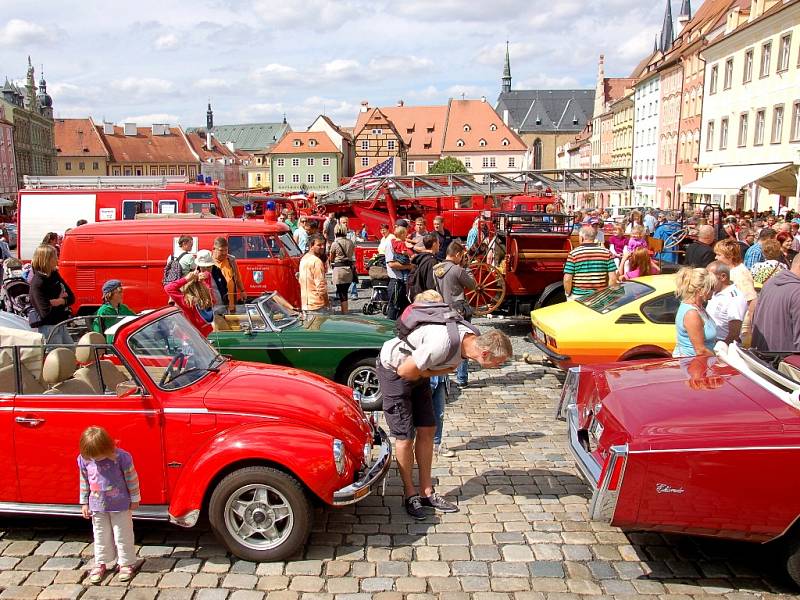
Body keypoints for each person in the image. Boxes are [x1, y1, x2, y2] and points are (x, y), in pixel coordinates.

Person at [378, 316, 513, 519]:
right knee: (405, 436)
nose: (499, 367)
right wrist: (442, 370)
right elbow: (404, 371)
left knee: (428, 428)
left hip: (420, 371)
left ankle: (426, 492)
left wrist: (436, 370)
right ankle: (410, 493)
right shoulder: (443, 345)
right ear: (485, 353)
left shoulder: (472, 339)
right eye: (499, 363)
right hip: (395, 369)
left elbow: (420, 369)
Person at [78, 426, 142, 584]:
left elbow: (132, 478)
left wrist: (135, 498)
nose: (96, 460)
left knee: (123, 534)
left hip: (120, 504)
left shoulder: (121, 457)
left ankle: (126, 562)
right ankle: (101, 561)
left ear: (107, 448)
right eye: (93, 457)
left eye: (99, 456)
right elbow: (84, 481)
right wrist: (84, 502)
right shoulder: (85, 459)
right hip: (97, 505)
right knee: (100, 534)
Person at [412, 289, 456, 458]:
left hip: (440, 375)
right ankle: (418, 443)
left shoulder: (446, 322)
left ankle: (436, 443)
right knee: (420, 410)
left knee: (439, 412)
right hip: (425, 374)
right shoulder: (417, 324)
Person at [751, 254, 800, 352]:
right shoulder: (797, 292)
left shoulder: (770, 283)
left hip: (762, 356)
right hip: (784, 362)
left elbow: (754, 319)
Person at [29, 244, 75, 345]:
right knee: (57, 357)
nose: (57, 258)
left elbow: (72, 298)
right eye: (54, 256)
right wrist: (62, 301)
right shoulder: (38, 283)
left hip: (61, 324)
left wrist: (58, 301)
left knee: (72, 352)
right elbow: (45, 313)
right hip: (49, 328)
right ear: (46, 259)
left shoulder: (55, 275)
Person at [673, 267, 717, 357]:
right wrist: (720, 361)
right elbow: (700, 351)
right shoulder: (691, 314)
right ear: (700, 290)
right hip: (692, 365)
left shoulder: (699, 308)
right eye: (711, 288)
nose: (714, 290)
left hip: (702, 363)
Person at [563, 226, 617, 299]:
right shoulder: (607, 253)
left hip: (578, 296)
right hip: (600, 296)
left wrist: (568, 294)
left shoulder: (574, 253)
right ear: (595, 237)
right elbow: (613, 278)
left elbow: (567, 279)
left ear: (582, 237)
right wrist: (608, 295)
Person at [164, 263, 217, 337]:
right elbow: (208, 284)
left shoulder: (187, 302)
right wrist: (205, 276)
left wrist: (186, 279)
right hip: (205, 337)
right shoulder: (207, 299)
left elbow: (168, 288)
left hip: (190, 338)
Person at [706, 261, 747, 345]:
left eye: (710, 277)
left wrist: (722, 348)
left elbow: (734, 332)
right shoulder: (713, 293)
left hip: (723, 347)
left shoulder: (734, 298)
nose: (707, 280)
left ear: (723, 277)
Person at [211, 237, 245, 313]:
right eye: (221, 250)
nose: (224, 253)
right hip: (216, 305)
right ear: (214, 249)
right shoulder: (208, 262)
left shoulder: (231, 260)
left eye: (226, 250)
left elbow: (238, 278)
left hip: (231, 303)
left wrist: (242, 291)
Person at [385, 226, 412, 320]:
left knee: (404, 308)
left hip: (402, 281)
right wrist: (410, 266)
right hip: (396, 280)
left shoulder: (400, 242)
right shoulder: (390, 244)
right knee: (394, 307)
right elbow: (391, 264)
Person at [299, 234, 329, 314]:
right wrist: (327, 303)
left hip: (305, 304)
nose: (322, 247)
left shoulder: (303, 259)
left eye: (323, 244)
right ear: (311, 246)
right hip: (317, 305)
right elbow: (321, 286)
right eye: (319, 245)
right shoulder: (317, 262)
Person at [329, 224, 356, 313]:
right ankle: (345, 310)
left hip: (339, 270)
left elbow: (331, 257)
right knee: (345, 291)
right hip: (349, 269)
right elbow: (351, 255)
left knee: (341, 292)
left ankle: (344, 311)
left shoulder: (335, 243)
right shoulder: (350, 242)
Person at [408, 234, 439, 300]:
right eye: (438, 243)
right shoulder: (431, 261)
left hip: (418, 296)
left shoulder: (420, 258)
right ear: (434, 244)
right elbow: (430, 284)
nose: (439, 245)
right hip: (427, 299)